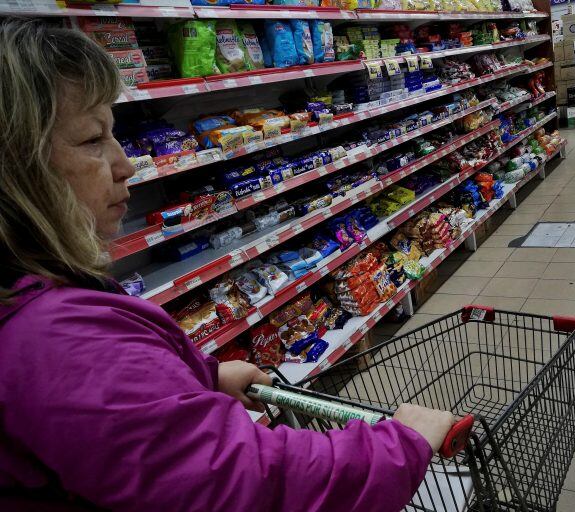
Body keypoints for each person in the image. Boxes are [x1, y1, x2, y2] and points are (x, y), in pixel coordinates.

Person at [0, 18, 455, 511]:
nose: (125, 164)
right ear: (15, 166)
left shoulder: (32, 297)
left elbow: (113, 429)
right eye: (92, 139)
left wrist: (202, 375)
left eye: (114, 134)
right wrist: (400, 445)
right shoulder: (63, 341)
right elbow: (236, 485)